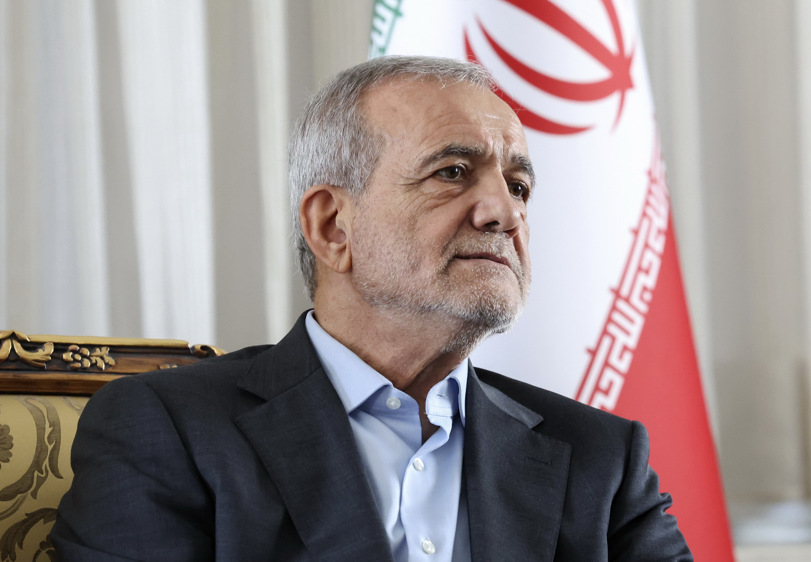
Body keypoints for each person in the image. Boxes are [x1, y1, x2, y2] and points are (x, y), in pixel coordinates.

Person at [50, 56, 692, 561]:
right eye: (452, 172)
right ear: (332, 226)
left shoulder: (601, 456)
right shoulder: (170, 431)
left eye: (518, 186)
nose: (505, 212)